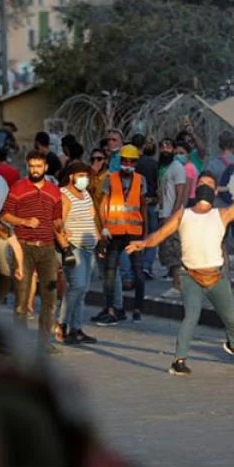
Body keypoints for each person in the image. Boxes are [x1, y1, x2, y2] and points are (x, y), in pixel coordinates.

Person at [126, 172, 234, 376]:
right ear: (196, 189)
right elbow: (160, 234)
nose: (204, 187)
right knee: (191, 316)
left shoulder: (221, 214)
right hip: (191, 277)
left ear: (215, 191)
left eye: (209, 185)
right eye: (201, 183)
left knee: (231, 318)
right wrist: (143, 243)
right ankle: (179, 361)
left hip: (216, 277)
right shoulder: (183, 214)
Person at [1, 150, 67, 354]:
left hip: (47, 248)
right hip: (24, 247)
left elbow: (56, 219)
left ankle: (44, 341)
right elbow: (4, 214)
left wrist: (62, 229)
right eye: (32, 166)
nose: (35, 170)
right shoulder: (18, 188)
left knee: (49, 298)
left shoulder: (54, 191)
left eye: (39, 166)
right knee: (21, 299)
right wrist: (24, 221)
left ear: (46, 167)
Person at [93, 144, 147, 325]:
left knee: (138, 272)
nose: (128, 164)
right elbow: (103, 205)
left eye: (131, 162)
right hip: (114, 232)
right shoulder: (111, 178)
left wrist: (145, 234)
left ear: (136, 163)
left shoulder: (141, 180)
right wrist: (103, 228)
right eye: (125, 161)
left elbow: (143, 206)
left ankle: (138, 309)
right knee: (110, 271)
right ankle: (111, 309)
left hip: (134, 232)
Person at [57, 161, 100, 345]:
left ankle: (76, 328)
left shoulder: (85, 194)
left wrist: (99, 237)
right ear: (71, 176)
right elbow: (57, 224)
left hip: (89, 248)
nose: (84, 179)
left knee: (83, 290)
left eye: (86, 175)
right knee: (77, 286)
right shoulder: (64, 196)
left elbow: (91, 217)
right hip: (74, 247)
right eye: (80, 175)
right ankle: (61, 323)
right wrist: (64, 246)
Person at [207, 131, 234, 289]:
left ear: (219, 144)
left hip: (221, 209)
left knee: (222, 244)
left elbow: (209, 186)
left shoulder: (213, 164)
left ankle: (226, 280)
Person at [156, 139, 189, 299]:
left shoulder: (177, 168)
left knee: (175, 252)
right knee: (169, 253)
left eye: (168, 146)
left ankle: (177, 286)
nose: (164, 149)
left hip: (172, 216)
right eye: (162, 146)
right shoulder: (167, 168)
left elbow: (181, 193)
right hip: (165, 213)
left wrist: (173, 216)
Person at [135, 135, 160, 280]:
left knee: (138, 234)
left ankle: (137, 265)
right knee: (152, 234)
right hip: (150, 202)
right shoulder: (152, 163)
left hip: (135, 203)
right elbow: (157, 183)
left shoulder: (131, 163)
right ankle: (146, 265)